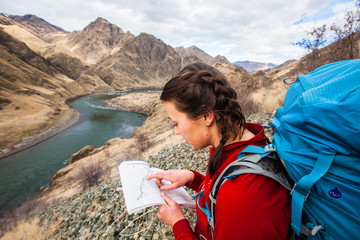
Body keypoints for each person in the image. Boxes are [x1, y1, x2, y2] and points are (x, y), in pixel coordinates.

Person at [147, 62, 291, 240]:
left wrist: (179, 224)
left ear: (207, 116)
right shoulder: (236, 145)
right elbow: (220, 196)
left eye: (176, 123)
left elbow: (232, 199)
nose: (176, 131)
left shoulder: (246, 192)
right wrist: (193, 178)